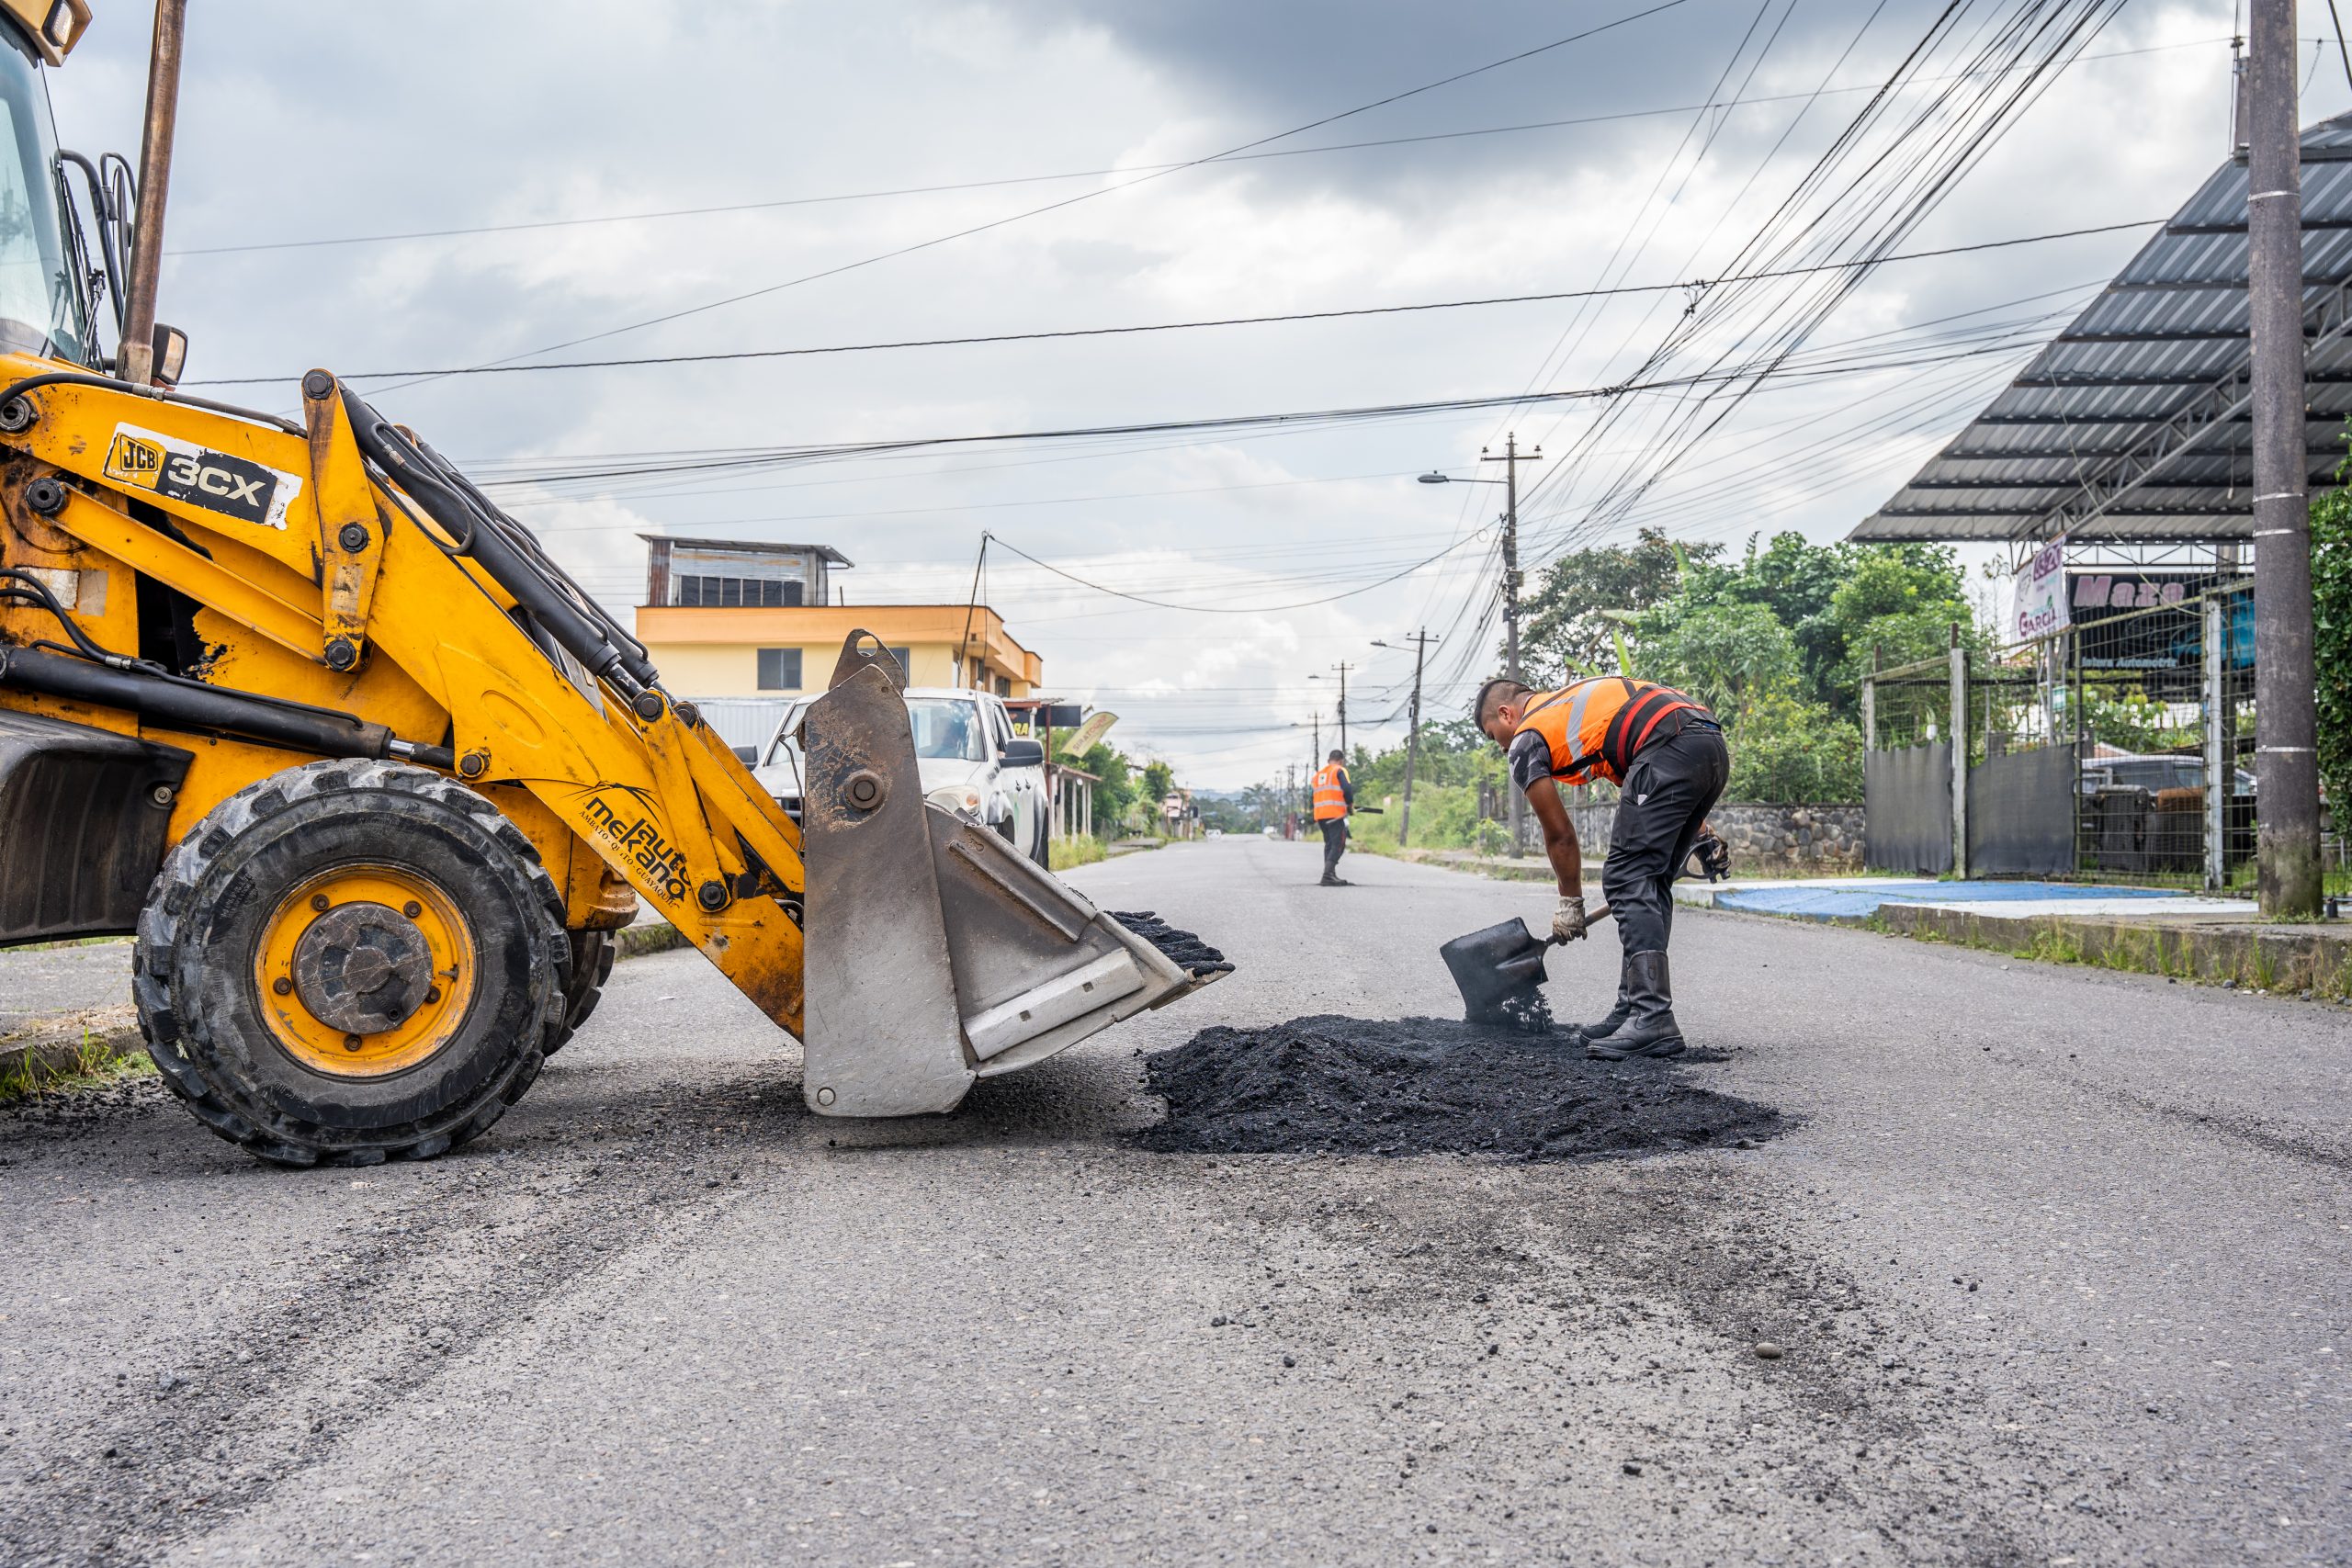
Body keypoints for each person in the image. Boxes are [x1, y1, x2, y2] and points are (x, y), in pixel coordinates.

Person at [1476, 675, 1731, 1058]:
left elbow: (1559, 834)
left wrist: (1570, 903)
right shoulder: (1578, 714)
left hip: (1671, 744)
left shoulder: (1527, 737)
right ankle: (1633, 1006)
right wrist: (1701, 831)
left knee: (1626, 876)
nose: (1501, 747)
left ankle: (1653, 1016)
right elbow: (1654, 779)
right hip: (1707, 742)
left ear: (1506, 713)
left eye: (1494, 735)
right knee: (1650, 879)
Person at [1310, 749, 1354, 886]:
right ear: (1341, 760)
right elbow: (1347, 789)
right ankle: (1328, 875)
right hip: (1335, 814)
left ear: (1328, 760)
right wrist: (1349, 805)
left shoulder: (1318, 775)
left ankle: (1330, 874)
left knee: (1329, 844)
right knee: (1338, 844)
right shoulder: (1339, 770)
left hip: (1320, 814)